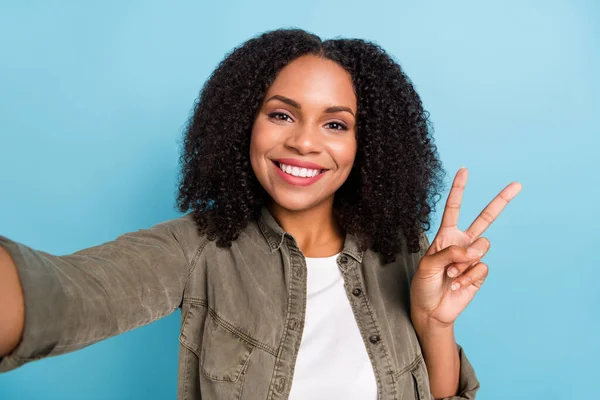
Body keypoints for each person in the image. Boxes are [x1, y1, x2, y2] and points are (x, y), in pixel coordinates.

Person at [0, 28, 521, 400]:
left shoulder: (402, 249)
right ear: (242, 124)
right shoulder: (198, 248)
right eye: (281, 114)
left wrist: (432, 321)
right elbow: (64, 295)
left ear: (369, 145)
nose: (302, 142)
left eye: (335, 125)